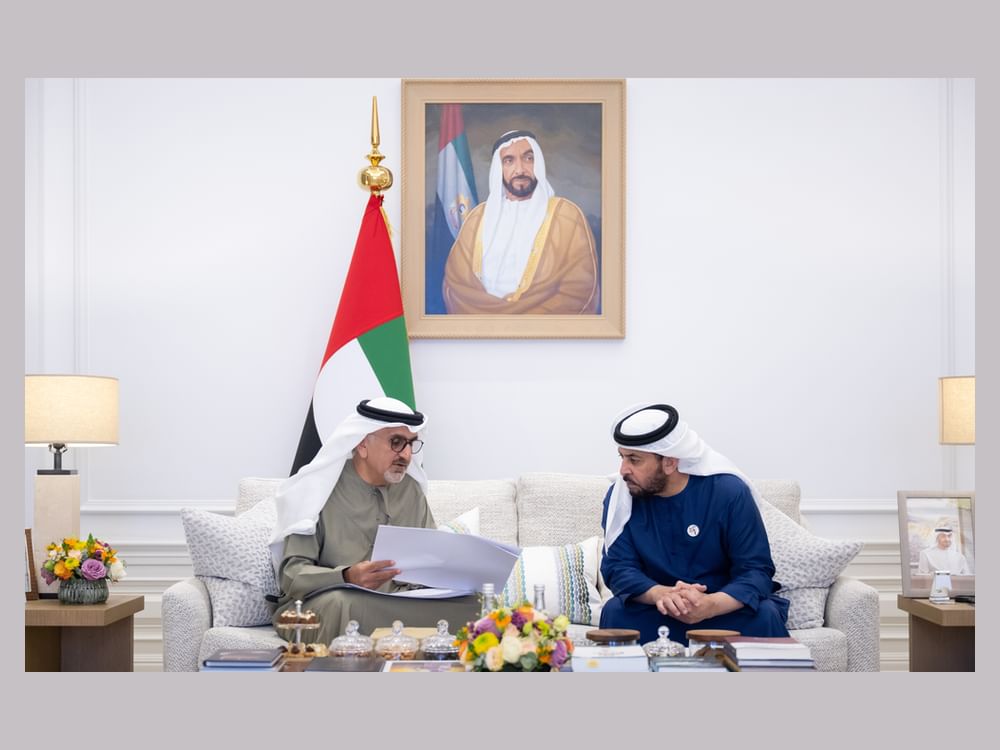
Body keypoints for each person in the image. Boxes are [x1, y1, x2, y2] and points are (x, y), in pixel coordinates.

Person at [268, 397, 480, 644]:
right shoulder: (319, 490)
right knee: (343, 604)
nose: (406, 455)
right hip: (331, 600)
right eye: (396, 442)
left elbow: (430, 560)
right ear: (362, 445)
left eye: (411, 444)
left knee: (478, 606)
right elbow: (292, 576)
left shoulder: (411, 491)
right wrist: (346, 576)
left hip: (400, 601)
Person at [599, 402, 790, 645]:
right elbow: (618, 568)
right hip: (657, 607)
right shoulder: (621, 497)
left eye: (634, 460)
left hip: (723, 608)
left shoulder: (729, 492)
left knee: (765, 615)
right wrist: (661, 594)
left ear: (670, 462)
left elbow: (755, 570)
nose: (623, 470)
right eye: (622, 457)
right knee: (616, 612)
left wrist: (711, 605)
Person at [442, 129, 599, 314]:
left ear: (538, 163)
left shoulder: (567, 217)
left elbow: (579, 290)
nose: (520, 169)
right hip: (480, 327)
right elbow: (455, 284)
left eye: (528, 158)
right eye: (509, 161)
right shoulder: (477, 219)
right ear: (498, 169)